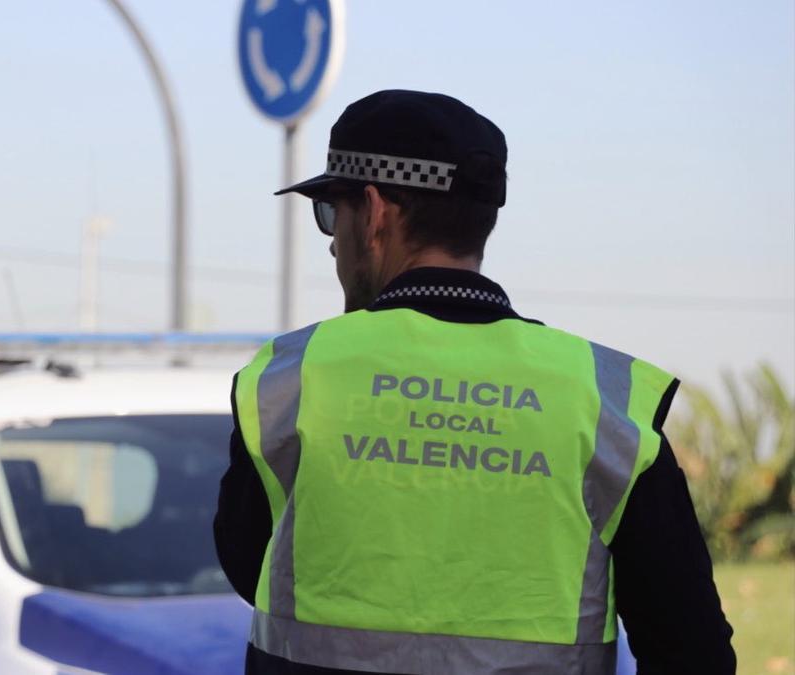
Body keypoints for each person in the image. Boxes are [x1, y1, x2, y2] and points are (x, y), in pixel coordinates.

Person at [213, 90, 735, 675]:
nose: (334, 242)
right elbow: (693, 651)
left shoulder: (292, 381)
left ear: (378, 211)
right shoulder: (603, 400)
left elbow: (246, 564)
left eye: (333, 213)